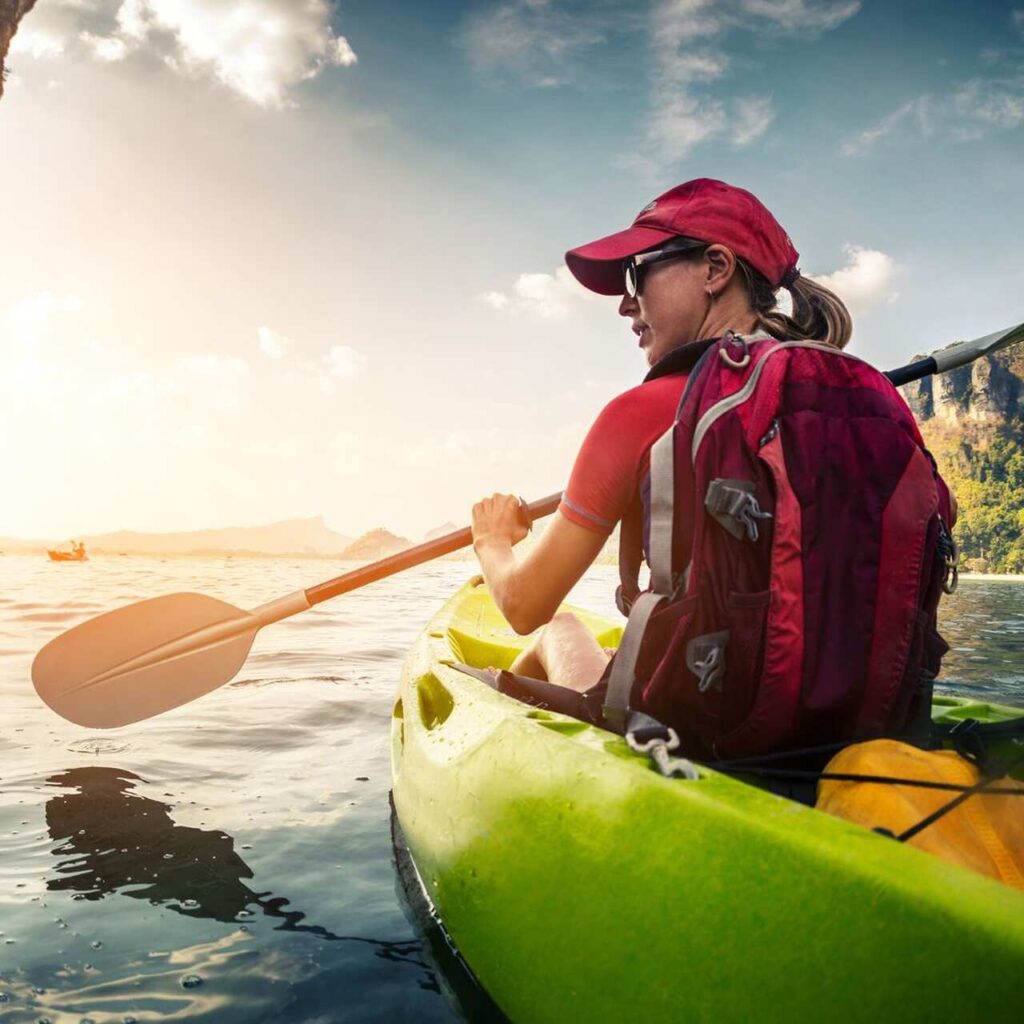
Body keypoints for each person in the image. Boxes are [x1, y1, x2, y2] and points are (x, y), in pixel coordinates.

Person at [470, 178, 853, 695]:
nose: (626, 305)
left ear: (715, 269)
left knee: (557, 627)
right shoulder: (853, 407)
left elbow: (523, 605)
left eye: (637, 273)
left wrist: (492, 541)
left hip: (692, 718)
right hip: (842, 709)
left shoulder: (640, 414)